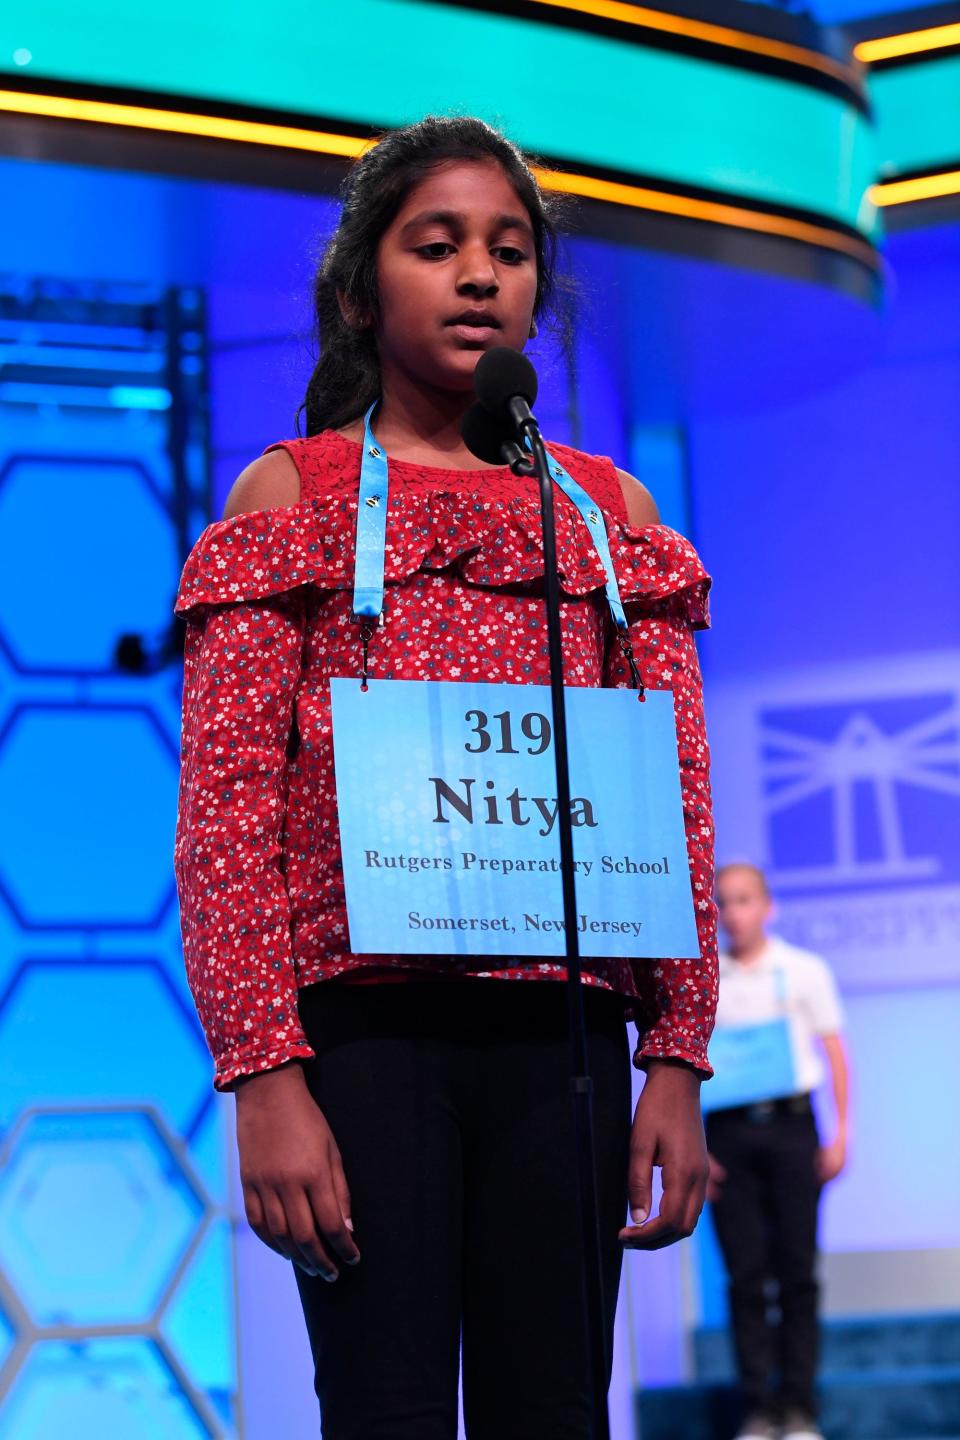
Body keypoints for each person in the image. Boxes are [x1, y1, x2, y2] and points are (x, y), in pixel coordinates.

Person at [174, 115, 718, 1439]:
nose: (481, 274)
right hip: (368, 1046)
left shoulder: (608, 519)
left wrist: (679, 1060)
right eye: (439, 246)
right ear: (364, 291)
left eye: (510, 250)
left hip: (569, 1047)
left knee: (557, 1413)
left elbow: (678, 797)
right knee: (387, 1409)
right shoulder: (288, 499)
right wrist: (262, 1076)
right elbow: (227, 813)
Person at [708, 864, 850, 1440]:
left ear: (768, 906)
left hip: (793, 1128)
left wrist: (842, 1133)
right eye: (722, 902)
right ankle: (758, 1408)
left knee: (796, 1271)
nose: (731, 912)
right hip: (726, 1135)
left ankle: (798, 1408)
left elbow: (834, 1049)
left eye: (743, 900)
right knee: (744, 1276)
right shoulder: (705, 977)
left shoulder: (803, 970)